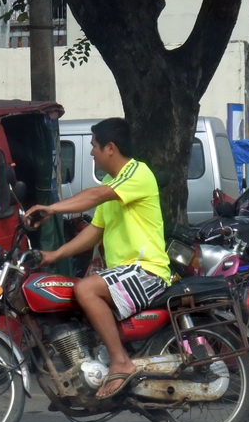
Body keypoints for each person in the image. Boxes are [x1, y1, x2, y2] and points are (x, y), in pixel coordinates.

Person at [24, 118, 170, 400]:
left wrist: (51, 208)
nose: (91, 152)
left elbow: (96, 196)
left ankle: (121, 362)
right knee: (73, 292)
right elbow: (94, 232)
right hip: (123, 272)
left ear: (110, 148)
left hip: (147, 271)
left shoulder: (137, 174)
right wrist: (54, 254)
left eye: (94, 146)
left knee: (86, 288)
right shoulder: (111, 181)